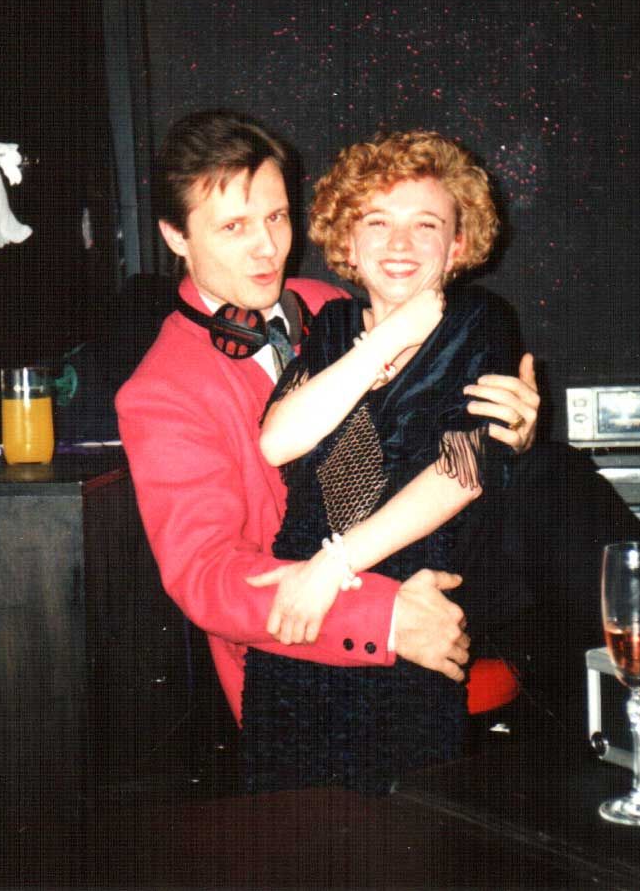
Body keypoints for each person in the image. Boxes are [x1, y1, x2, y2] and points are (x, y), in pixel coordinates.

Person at [115, 111, 541, 729]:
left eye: (276, 217)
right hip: (309, 655)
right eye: (234, 227)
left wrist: (508, 436)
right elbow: (209, 578)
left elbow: (448, 452)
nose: (268, 249)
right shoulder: (160, 391)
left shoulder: (328, 305)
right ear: (175, 237)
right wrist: (386, 616)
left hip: (428, 585)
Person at [239, 129, 524, 793]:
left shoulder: (480, 322)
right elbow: (278, 441)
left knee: (399, 829)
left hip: (405, 612)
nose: (399, 244)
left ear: (458, 245)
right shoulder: (335, 326)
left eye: (426, 225)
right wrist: (389, 335)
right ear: (349, 239)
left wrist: (334, 565)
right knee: (284, 824)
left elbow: (461, 473)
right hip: (299, 613)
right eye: (377, 222)